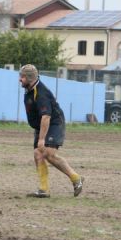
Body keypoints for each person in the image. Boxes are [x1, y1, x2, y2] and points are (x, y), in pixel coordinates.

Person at [19, 64, 84, 198]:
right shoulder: (30, 89)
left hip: (53, 123)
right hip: (42, 126)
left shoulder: (40, 93)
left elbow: (46, 116)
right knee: (38, 154)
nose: (20, 79)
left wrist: (42, 139)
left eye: (22, 77)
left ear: (30, 78)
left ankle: (76, 178)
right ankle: (44, 190)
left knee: (48, 153)